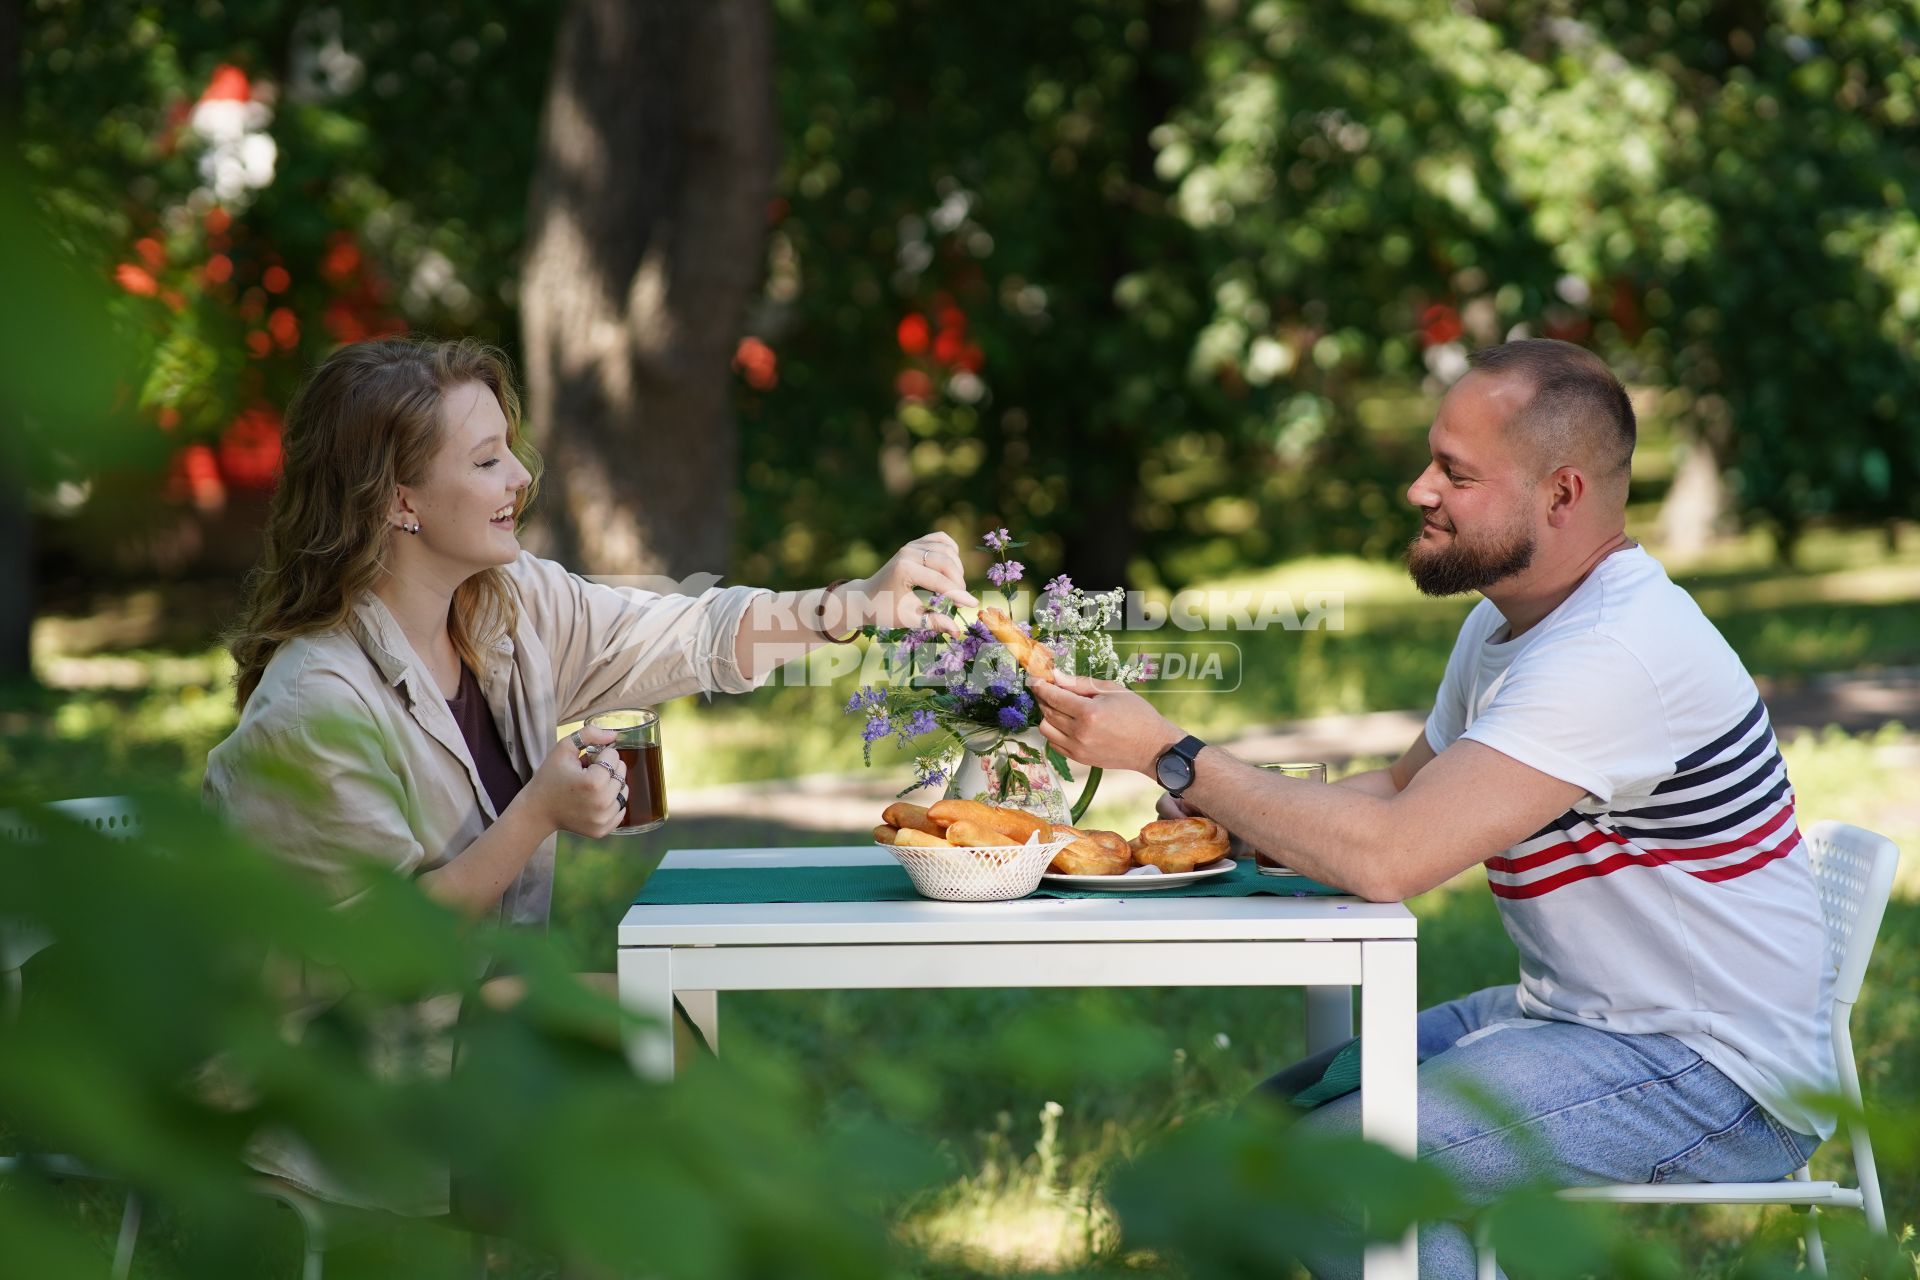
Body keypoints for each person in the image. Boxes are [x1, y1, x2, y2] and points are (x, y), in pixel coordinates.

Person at [1031, 339, 1836, 1277]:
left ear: (1562, 495)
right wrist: (1212, 812)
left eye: (1455, 473)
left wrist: (1171, 756)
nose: (1419, 489)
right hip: (1581, 1020)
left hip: (1714, 1075)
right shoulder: (1510, 622)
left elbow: (1391, 856)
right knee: (1255, 1137)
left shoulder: (1613, 652)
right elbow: (1398, 796)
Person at [204, 335, 978, 1214]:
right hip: (347, 1069)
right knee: (652, 1067)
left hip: (465, 1021)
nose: (519, 479)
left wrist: (851, 607)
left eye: (511, 451)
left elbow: (681, 635)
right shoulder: (316, 701)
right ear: (398, 501)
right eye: (487, 459)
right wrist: (535, 815)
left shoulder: (505, 604)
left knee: (667, 1043)